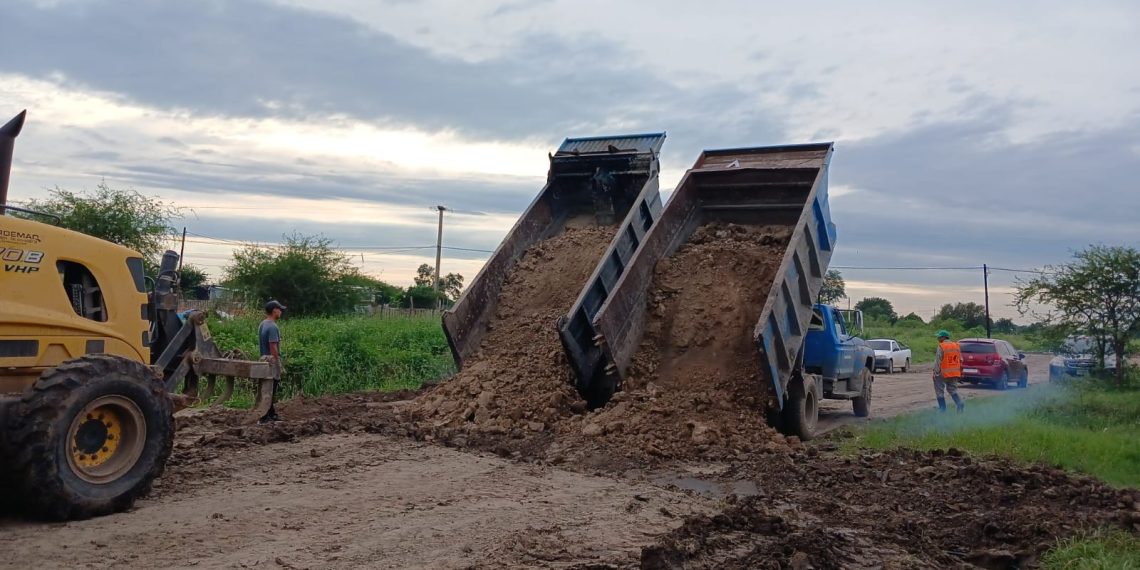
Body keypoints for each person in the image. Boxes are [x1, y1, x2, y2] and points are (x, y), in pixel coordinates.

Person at [258, 300, 286, 423]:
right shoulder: (273, 326)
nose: (281, 312)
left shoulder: (263, 324)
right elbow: (273, 346)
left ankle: (271, 413)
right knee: (272, 388)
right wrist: (278, 361)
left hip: (263, 358)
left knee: (267, 388)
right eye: (280, 310)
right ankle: (265, 417)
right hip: (271, 360)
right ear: (275, 310)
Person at [933, 330, 965, 413]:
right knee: (952, 390)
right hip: (954, 373)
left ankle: (942, 409)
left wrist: (936, 373)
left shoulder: (942, 346)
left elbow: (938, 360)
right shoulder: (956, 345)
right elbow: (961, 360)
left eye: (939, 337)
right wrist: (960, 372)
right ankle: (959, 403)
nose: (938, 338)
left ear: (944, 337)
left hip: (942, 373)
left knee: (939, 391)